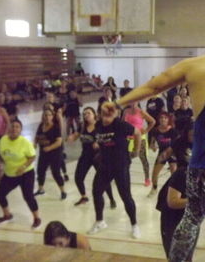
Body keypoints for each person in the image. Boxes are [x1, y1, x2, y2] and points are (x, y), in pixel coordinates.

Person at [101, 11, 205, 261]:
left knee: (190, 221)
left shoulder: (194, 65)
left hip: (202, 161)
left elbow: (155, 86)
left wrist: (119, 104)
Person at [156, 122, 205, 260]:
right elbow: (173, 202)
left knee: (188, 256)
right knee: (174, 256)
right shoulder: (182, 173)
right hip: (174, 211)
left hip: (191, 217)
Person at [88, 111, 142, 239]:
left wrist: (136, 150)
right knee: (96, 191)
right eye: (103, 114)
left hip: (120, 165)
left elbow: (138, 133)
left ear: (114, 115)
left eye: (108, 115)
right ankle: (100, 221)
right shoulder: (98, 126)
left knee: (125, 196)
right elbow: (100, 140)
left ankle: (134, 225)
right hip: (105, 165)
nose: (105, 118)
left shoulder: (120, 124)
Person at [0, 119, 41, 229]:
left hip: (26, 173)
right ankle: (7, 215)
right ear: (9, 128)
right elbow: (1, 154)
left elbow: (32, 157)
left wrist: (23, 166)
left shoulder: (25, 142)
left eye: (17, 127)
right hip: (10, 174)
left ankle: (37, 218)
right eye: (12, 126)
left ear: (20, 130)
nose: (14, 129)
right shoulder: (3, 140)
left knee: (28, 196)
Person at [67, 107, 116, 207]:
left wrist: (99, 142)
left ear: (94, 115)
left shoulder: (100, 126)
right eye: (84, 114)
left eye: (88, 113)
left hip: (98, 157)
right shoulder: (82, 126)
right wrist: (72, 137)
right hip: (85, 156)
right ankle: (84, 196)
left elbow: (109, 137)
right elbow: (77, 134)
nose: (86, 116)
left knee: (103, 180)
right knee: (78, 178)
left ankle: (111, 199)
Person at [34, 109, 67, 199]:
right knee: (40, 171)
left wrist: (49, 148)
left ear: (52, 117)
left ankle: (63, 191)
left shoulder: (55, 127)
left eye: (49, 115)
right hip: (43, 153)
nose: (47, 117)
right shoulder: (41, 126)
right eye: (45, 115)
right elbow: (36, 137)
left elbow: (59, 142)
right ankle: (41, 189)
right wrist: (34, 144)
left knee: (55, 173)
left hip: (55, 153)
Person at [122, 102, 156, 186]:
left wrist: (146, 130)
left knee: (143, 159)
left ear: (137, 102)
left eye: (135, 101)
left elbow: (152, 121)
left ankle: (147, 178)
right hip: (128, 138)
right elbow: (122, 123)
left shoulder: (141, 112)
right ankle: (124, 177)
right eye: (132, 101)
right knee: (126, 159)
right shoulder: (126, 111)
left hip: (140, 138)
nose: (133, 103)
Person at [148, 112, 178, 197]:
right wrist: (153, 146)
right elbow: (152, 143)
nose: (163, 119)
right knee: (155, 173)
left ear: (168, 120)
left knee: (174, 172)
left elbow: (177, 143)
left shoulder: (172, 130)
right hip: (161, 153)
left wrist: (170, 151)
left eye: (165, 118)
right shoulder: (155, 130)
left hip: (171, 152)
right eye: (161, 118)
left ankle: (174, 191)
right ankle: (154, 188)